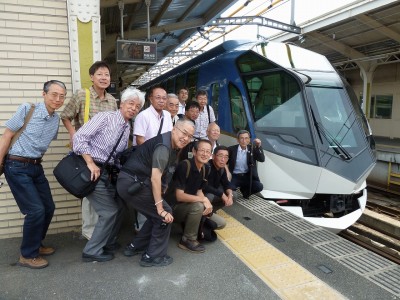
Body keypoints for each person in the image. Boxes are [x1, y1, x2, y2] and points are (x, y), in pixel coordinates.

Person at [0, 80, 67, 269]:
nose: (58, 99)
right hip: (16, 165)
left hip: (36, 166)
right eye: (54, 94)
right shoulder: (27, 109)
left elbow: (40, 144)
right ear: (44, 94)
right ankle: (27, 255)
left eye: (62, 96)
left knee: (48, 207)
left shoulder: (56, 120)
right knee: (35, 210)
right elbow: (6, 136)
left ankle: (36, 243)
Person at [73, 88, 145, 262]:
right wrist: (90, 163)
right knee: (109, 211)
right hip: (90, 169)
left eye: (137, 106)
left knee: (120, 207)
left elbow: (115, 156)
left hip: (106, 172)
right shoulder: (105, 117)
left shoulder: (126, 126)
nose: (134, 108)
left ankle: (108, 242)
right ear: (122, 103)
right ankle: (91, 251)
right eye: (131, 103)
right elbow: (79, 138)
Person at [117, 119, 195, 267]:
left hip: (132, 182)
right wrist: (160, 207)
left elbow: (165, 171)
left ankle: (135, 247)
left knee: (156, 216)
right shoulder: (164, 146)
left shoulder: (171, 143)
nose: (186, 138)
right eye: (184, 133)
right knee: (164, 214)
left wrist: (163, 189)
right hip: (132, 183)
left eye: (190, 136)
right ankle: (153, 256)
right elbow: (155, 177)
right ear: (174, 129)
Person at [60, 61, 117, 241]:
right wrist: (73, 135)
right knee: (88, 190)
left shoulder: (113, 101)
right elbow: (66, 116)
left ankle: (100, 232)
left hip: (104, 154)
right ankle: (90, 232)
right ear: (92, 77)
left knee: (101, 193)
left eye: (106, 74)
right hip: (85, 153)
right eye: (99, 74)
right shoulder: (82, 95)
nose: (103, 78)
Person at [166, 139, 213, 253]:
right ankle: (187, 240)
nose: (205, 154)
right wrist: (203, 200)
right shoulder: (184, 165)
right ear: (194, 151)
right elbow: (179, 196)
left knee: (220, 223)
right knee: (198, 206)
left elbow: (199, 190)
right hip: (173, 209)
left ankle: (190, 226)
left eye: (208, 151)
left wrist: (207, 205)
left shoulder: (205, 168)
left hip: (188, 205)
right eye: (202, 150)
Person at [203, 146, 235, 229]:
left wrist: (230, 195)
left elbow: (226, 183)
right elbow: (204, 186)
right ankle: (201, 215)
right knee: (210, 196)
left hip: (214, 193)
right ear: (213, 156)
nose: (223, 159)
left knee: (234, 194)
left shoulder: (222, 169)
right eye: (220, 156)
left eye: (226, 157)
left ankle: (211, 212)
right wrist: (222, 195)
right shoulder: (206, 167)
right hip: (201, 196)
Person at [228, 130, 265, 199]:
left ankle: (245, 191)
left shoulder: (252, 149)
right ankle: (235, 189)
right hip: (235, 176)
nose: (244, 140)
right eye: (241, 138)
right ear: (237, 140)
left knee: (259, 186)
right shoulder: (231, 149)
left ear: (249, 140)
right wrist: (227, 173)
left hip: (247, 176)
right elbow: (225, 163)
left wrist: (259, 146)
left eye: (246, 138)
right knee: (232, 193)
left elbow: (262, 159)